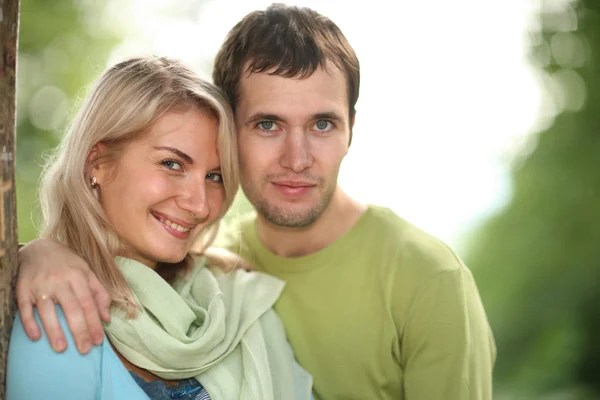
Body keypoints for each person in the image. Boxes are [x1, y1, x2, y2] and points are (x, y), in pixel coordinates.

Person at [16, 4, 496, 400]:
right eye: (268, 124)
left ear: (352, 129)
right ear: (232, 131)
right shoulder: (203, 261)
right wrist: (35, 253)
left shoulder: (429, 279)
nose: (297, 158)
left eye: (322, 125)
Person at [8, 55, 313, 400]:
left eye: (214, 177)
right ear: (97, 164)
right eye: (172, 164)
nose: (199, 205)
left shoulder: (236, 302)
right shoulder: (59, 308)